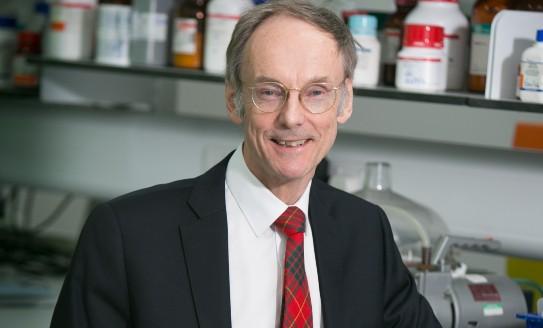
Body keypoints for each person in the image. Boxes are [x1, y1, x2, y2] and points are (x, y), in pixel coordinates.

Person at [50, 1, 442, 327]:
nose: (293, 117)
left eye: (317, 92)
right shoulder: (127, 235)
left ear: (345, 102)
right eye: (269, 92)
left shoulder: (365, 230)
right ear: (233, 99)